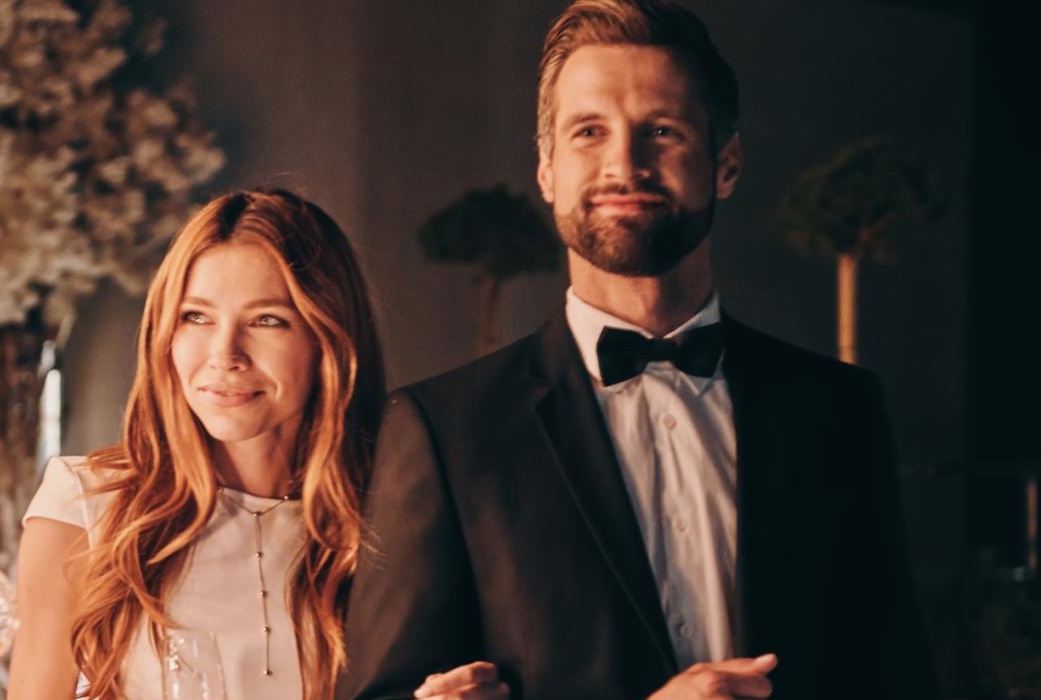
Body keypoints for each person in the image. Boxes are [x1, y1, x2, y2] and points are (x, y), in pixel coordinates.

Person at [338, 1, 939, 698]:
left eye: (662, 130)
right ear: (547, 170)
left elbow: (897, 677)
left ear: (728, 164)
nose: (625, 163)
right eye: (589, 131)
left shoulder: (839, 411)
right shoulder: (442, 431)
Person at [9, 189, 506, 700]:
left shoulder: (395, 515)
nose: (225, 355)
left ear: (327, 339)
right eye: (196, 317)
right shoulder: (85, 506)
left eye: (267, 320)